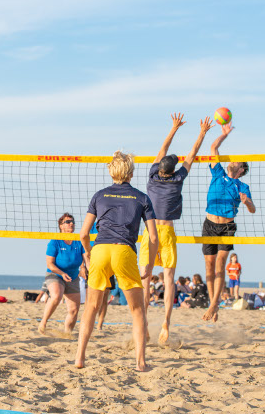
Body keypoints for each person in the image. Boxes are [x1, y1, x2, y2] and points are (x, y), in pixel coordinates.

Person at [75, 151, 158, 371]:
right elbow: (153, 236)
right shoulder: (142, 198)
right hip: (124, 251)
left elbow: (84, 234)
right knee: (137, 310)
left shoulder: (99, 195)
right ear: (130, 173)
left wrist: (88, 253)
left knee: (91, 308)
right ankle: (140, 362)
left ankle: (79, 357)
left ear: (111, 171)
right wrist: (149, 264)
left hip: (101, 249)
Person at [139, 113, 214, 344]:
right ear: (172, 171)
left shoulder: (152, 175)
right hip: (167, 232)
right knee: (169, 279)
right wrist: (202, 132)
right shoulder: (177, 179)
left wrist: (174, 128)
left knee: (145, 278)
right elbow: (191, 155)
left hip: (149, 232)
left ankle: (142, 323)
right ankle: (166, 323)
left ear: (160, 168)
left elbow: (163, 148)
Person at [201, 121, 256, 322]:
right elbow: (213, 148)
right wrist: (224, 134)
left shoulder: (242, 186)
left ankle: (215, 304)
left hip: (226, 226)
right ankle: (212, 302)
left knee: (220, 265)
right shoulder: (218, 174)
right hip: (209, 224)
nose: (232, 162)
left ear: (241, 169)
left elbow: (252, 210)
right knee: (208, 266)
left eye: (237, 162)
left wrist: (247, 201)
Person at [38, 213, 86, 335]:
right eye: (68, 221)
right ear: (61, 226)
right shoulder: (55, 241)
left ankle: (67, 333)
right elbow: (50, 264)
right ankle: (43, 323)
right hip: (55, 274)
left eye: (73, 221)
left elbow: (86, 258)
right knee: (56, 295)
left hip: (73, 276)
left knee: (74, 310)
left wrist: (85, 268)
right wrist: (62, 273)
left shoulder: (79, 241)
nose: (71, 223)